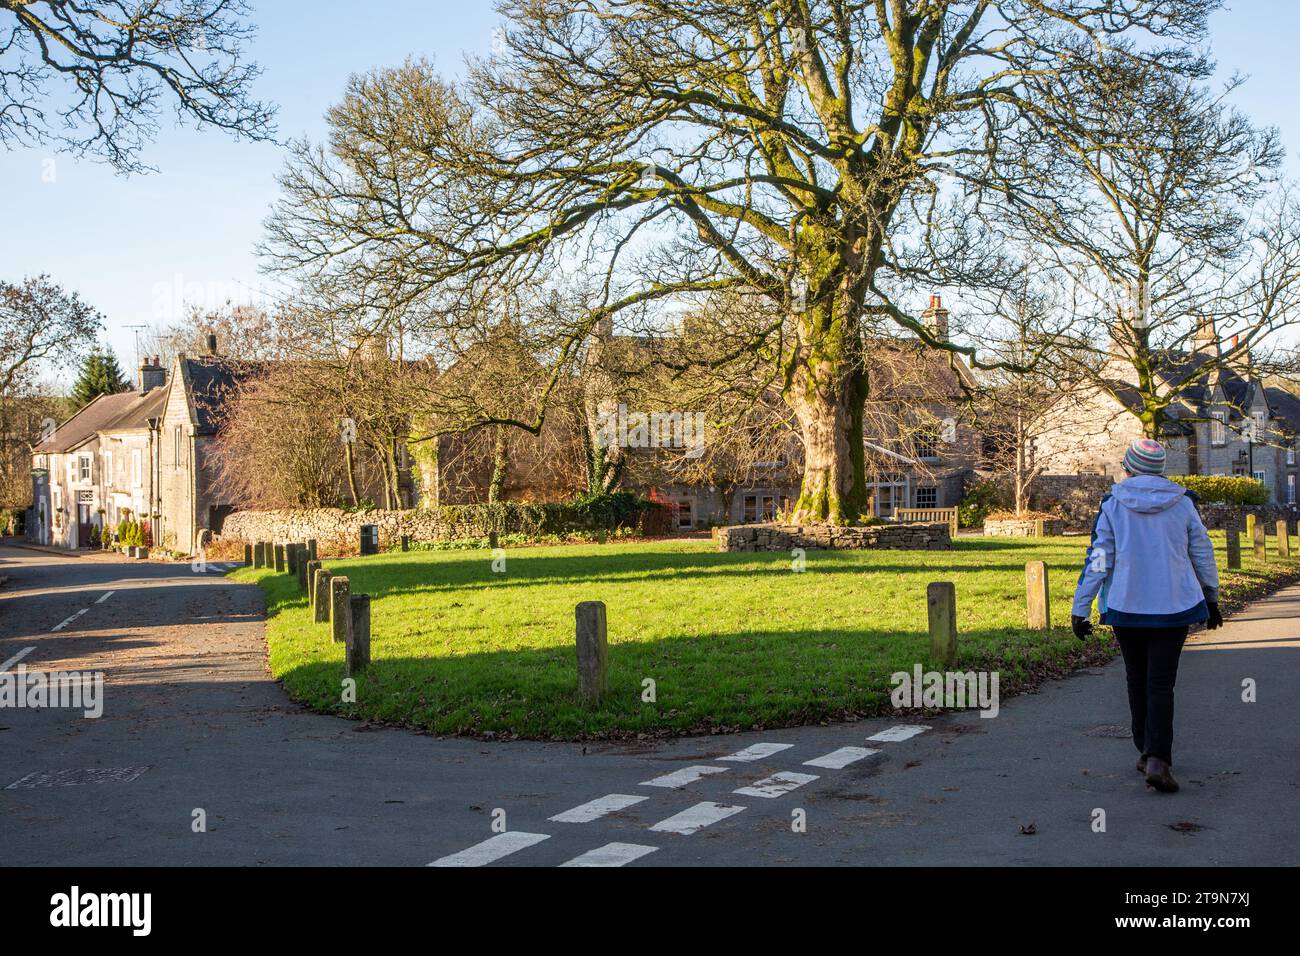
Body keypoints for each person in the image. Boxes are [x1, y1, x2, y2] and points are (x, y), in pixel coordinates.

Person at [1071, 437, 1223, 793]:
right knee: (1161, 684)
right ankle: (1157, 757)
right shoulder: (1182, 502)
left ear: (1129, 468)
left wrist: (1081, 608)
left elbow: (1098, 557)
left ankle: (1145, 751)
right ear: (1161, 469)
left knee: (1136, 679)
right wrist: (1211, 597)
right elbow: (1202, 551)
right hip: (1174, 606)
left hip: (1127, 605)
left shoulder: (1113, 504)